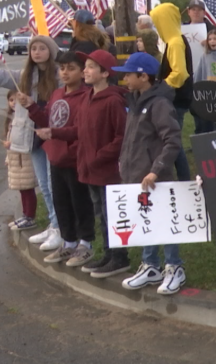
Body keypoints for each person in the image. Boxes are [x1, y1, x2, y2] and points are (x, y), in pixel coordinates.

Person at [48, 50, 129, 278]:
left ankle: (120, 257)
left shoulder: (113, 101)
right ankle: (108, 254)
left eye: (91, 66)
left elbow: (121, 137)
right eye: (86, 66)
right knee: (101, 215)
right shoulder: (87, 97)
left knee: (111, 214)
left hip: (106, 171)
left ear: (105, 73)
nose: (85, 70)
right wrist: (54, 132)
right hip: (89, 170)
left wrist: (97, 156)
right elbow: (79, 131)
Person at [112, 53, 186, 295]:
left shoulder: (159, 104)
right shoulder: (134, 102)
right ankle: (150, 264)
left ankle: (174, 267)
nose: (124, 79)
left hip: (156, 179)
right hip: (136, 177)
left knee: (165, 221)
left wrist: (156, 170)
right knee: (145, 220)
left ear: (143, 76)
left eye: (128, 74)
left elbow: (172, 140)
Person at [23, 51, 94, 267]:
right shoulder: (57, 94)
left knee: (79, 202)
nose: (65, 73)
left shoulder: (85, 96)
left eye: (70, 68)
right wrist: (32, 107)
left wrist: (54, 134)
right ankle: (68, 242)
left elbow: (80, 129)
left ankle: (85, 244)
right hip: (55, 157)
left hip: (74, 158)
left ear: (82, 72)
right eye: (62, 68)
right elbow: (49, 120)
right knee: (61, 202)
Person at [0, 35, 62, 251]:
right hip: (32, 137)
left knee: (54, 185)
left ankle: (60, 229)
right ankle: (53, 224)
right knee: (44, 186)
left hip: (53, 136)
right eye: (34, 49)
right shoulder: (25, 76)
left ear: (51, 51)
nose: (37, 52)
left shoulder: (59, 76)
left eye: (42, 48)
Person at [150, 2, 194, 182]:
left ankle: (184, 179)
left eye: (158, 21)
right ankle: (182, 178)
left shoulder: (175, 42)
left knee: (173, 143)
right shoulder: (174, 40)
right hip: (176, 98)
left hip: (176, 99)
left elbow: (180, 73)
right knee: (173, 142)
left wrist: (160, 89)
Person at [5, 90, 37, 232]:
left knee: (27, 188)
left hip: (24, 159)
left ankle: (30, 216)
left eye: (16, 100)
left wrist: (11, 145)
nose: (13, 103)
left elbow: (23, 139)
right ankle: (25, 214)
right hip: (15, 159)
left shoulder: (26, 118)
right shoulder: (10, 118)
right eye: (11, 100)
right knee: (22, 189)